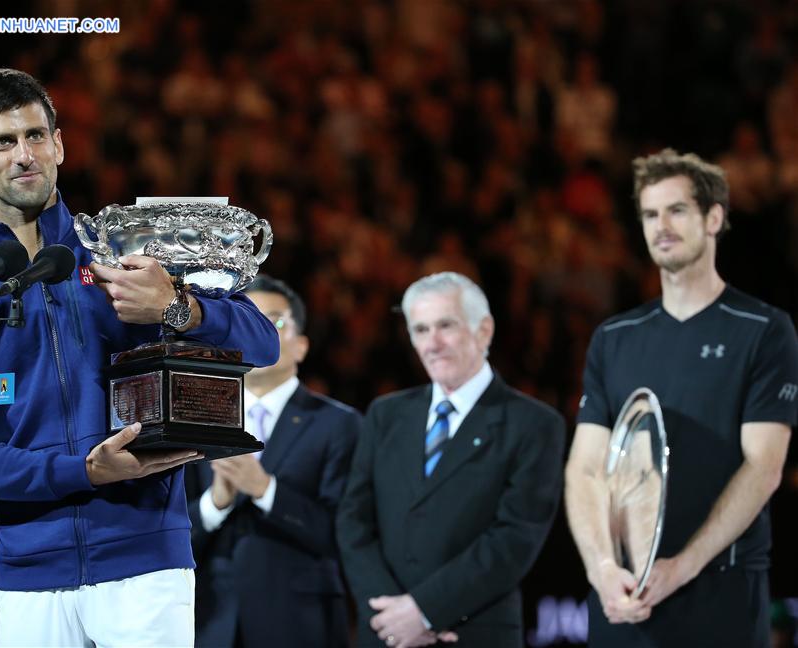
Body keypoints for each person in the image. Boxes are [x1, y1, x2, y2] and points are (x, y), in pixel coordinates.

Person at [0, 68, 279, 647]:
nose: (23, 154)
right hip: (27, 578)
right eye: (3, 142)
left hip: (145, 562)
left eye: (36, 136)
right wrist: (81, 471)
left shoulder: (132, 251)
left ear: (59, 144)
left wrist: (177, 305)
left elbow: (264, 341)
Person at [565, 149, 798, 648]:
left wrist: (681, 568)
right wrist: (603, 567)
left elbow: (764, 467)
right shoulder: (614, 336)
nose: (660, 226)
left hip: (722, 595)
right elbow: (585, 468)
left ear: (714, 218)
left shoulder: (764, 330)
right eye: (650, 214)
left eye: (676, 210)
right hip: (624, 601)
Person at [337, 272, 565, 647]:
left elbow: (514, 539)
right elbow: (353, 521)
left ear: (484, 330)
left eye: (446, 325)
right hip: (385, 632)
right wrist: (390, 614)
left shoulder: (535, 424)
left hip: (470, 632)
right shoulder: (385, 415)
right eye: (421, 329)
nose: (433, 343)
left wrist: (425, 610)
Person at [185, 274, 361, 647]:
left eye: (275, 322)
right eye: (248, 321)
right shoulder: (196, 419)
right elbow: (169, 531)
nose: (259, 333)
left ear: (301, 346)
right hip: (208, 621)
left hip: (297, 624)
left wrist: (266, 490)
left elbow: (348, 533)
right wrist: (213, 505)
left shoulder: (340, 424)